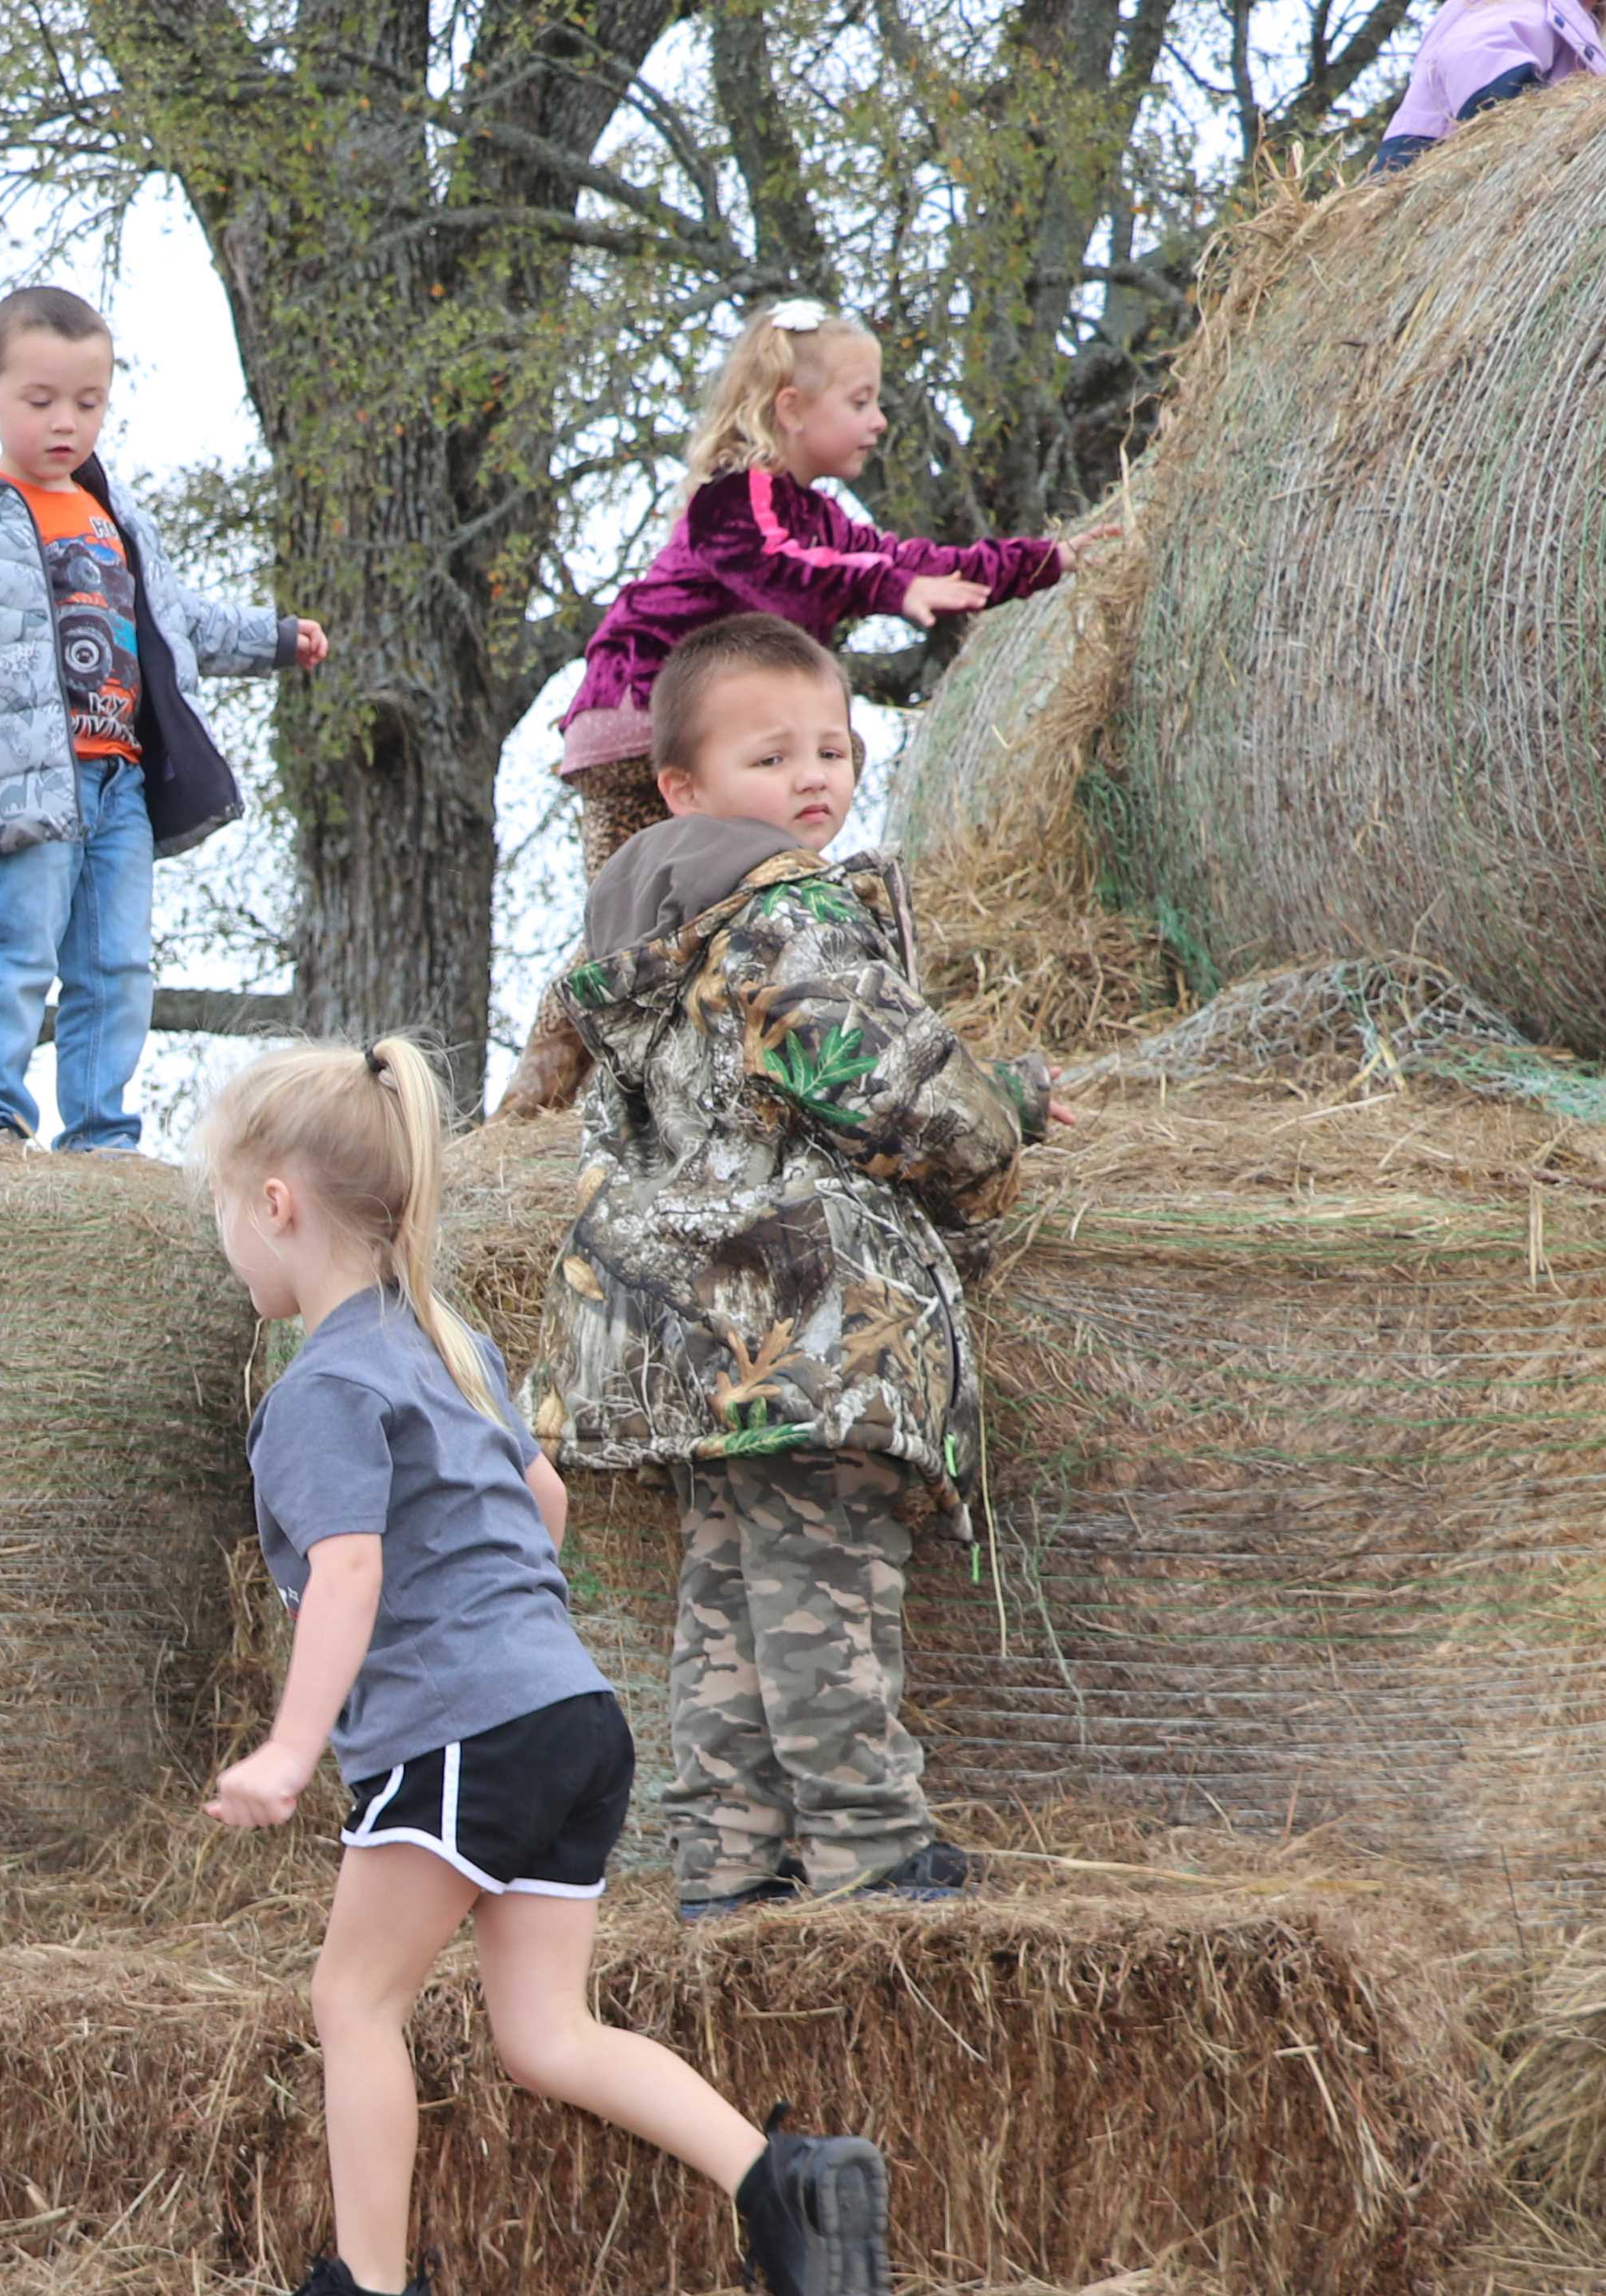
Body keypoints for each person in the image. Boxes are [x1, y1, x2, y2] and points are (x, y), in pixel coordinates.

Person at [195, 1036, 891, 2296]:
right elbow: (546, 1506)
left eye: (227, 1215)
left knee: (354, 2000)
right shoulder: (451, 1347)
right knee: (546, 2034)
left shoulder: (323, 1389)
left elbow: (349, 1570)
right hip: (572, 1715)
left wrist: (292, 1748)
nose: (233, 1242)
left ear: (276, 1202)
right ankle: (779, 2180)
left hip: (466, 1729)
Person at [535, 613, 1043, 1925]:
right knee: (824, 1597)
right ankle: (874, 1850)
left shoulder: (636, 947)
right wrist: (995, 1138)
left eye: (834, 746)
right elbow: (885, 1086)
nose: (816, 778)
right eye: (774, 758)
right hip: (809, 1322)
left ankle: (724, 1869)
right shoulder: (786, 912)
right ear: (683, 788)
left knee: (726, 1607)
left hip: (686, 1338)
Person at [0, 283, 327, 1154]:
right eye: (41, 401)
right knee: (17, 953)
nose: (67, 422)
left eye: (88, 403)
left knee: (118, 966)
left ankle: (101, 1135)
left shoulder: (113, 516)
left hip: (117, 776)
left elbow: (178, 621)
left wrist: (274, 639)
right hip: (19, 783)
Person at [551, 300, 1069, 874]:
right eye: (859, 402)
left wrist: (1046, 560)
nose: (879, 421)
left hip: (697, 724)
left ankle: (750, 906)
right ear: (792, 410)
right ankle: (767, 901)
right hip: (638, 712)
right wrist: (891, 588)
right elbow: (785, 574)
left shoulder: (819, 518)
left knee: (812, 768)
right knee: (806, 768)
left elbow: (911, 560)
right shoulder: (733, 497)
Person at [1375, 0, 1606, 173]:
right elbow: (1476, 54)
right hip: (1433, 163)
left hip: (1424, 163)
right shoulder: (1533, 8)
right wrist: (1536, 119)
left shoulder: (1560, 18)